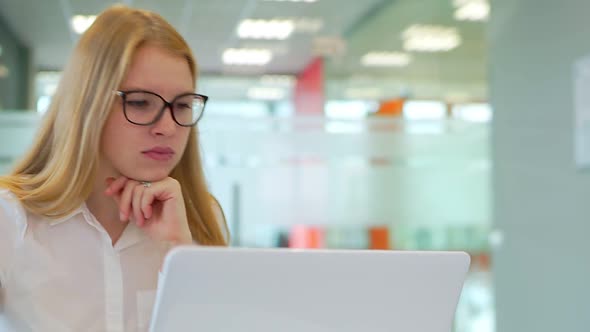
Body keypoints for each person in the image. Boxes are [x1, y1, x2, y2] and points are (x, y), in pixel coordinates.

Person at [0, 4, 229, 331]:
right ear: (89, 105)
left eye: (181, 105)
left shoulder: (197, 221)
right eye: (140, 102)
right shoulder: (11, 218)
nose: (167, 127)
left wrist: (180, 252)